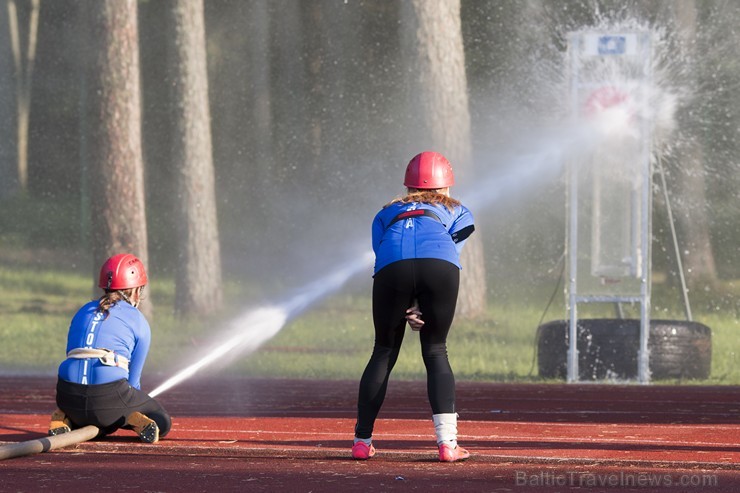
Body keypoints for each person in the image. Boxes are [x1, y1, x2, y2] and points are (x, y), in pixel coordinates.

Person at [352, 151, 475, 462]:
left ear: (408, 187)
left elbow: (388, 254)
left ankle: (362, 442)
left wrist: (407, 302)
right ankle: (447, 444)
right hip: (440, 268)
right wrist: (422, 302)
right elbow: (446, 251)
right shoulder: (460, 211)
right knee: (435, 349)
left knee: (383, 350)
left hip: (392, 268)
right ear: (447, 186)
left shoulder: (384, 213)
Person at [48, 253, 171, 443]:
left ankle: (64, 417)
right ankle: (133, 418)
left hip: (67, 395)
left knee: (94, 418)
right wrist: (131, 404)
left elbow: (73, 357)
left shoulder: (83, 310)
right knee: (162, 421)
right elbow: (133, 382)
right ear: (137, 291)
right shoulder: (138, 320)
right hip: (109, 400)